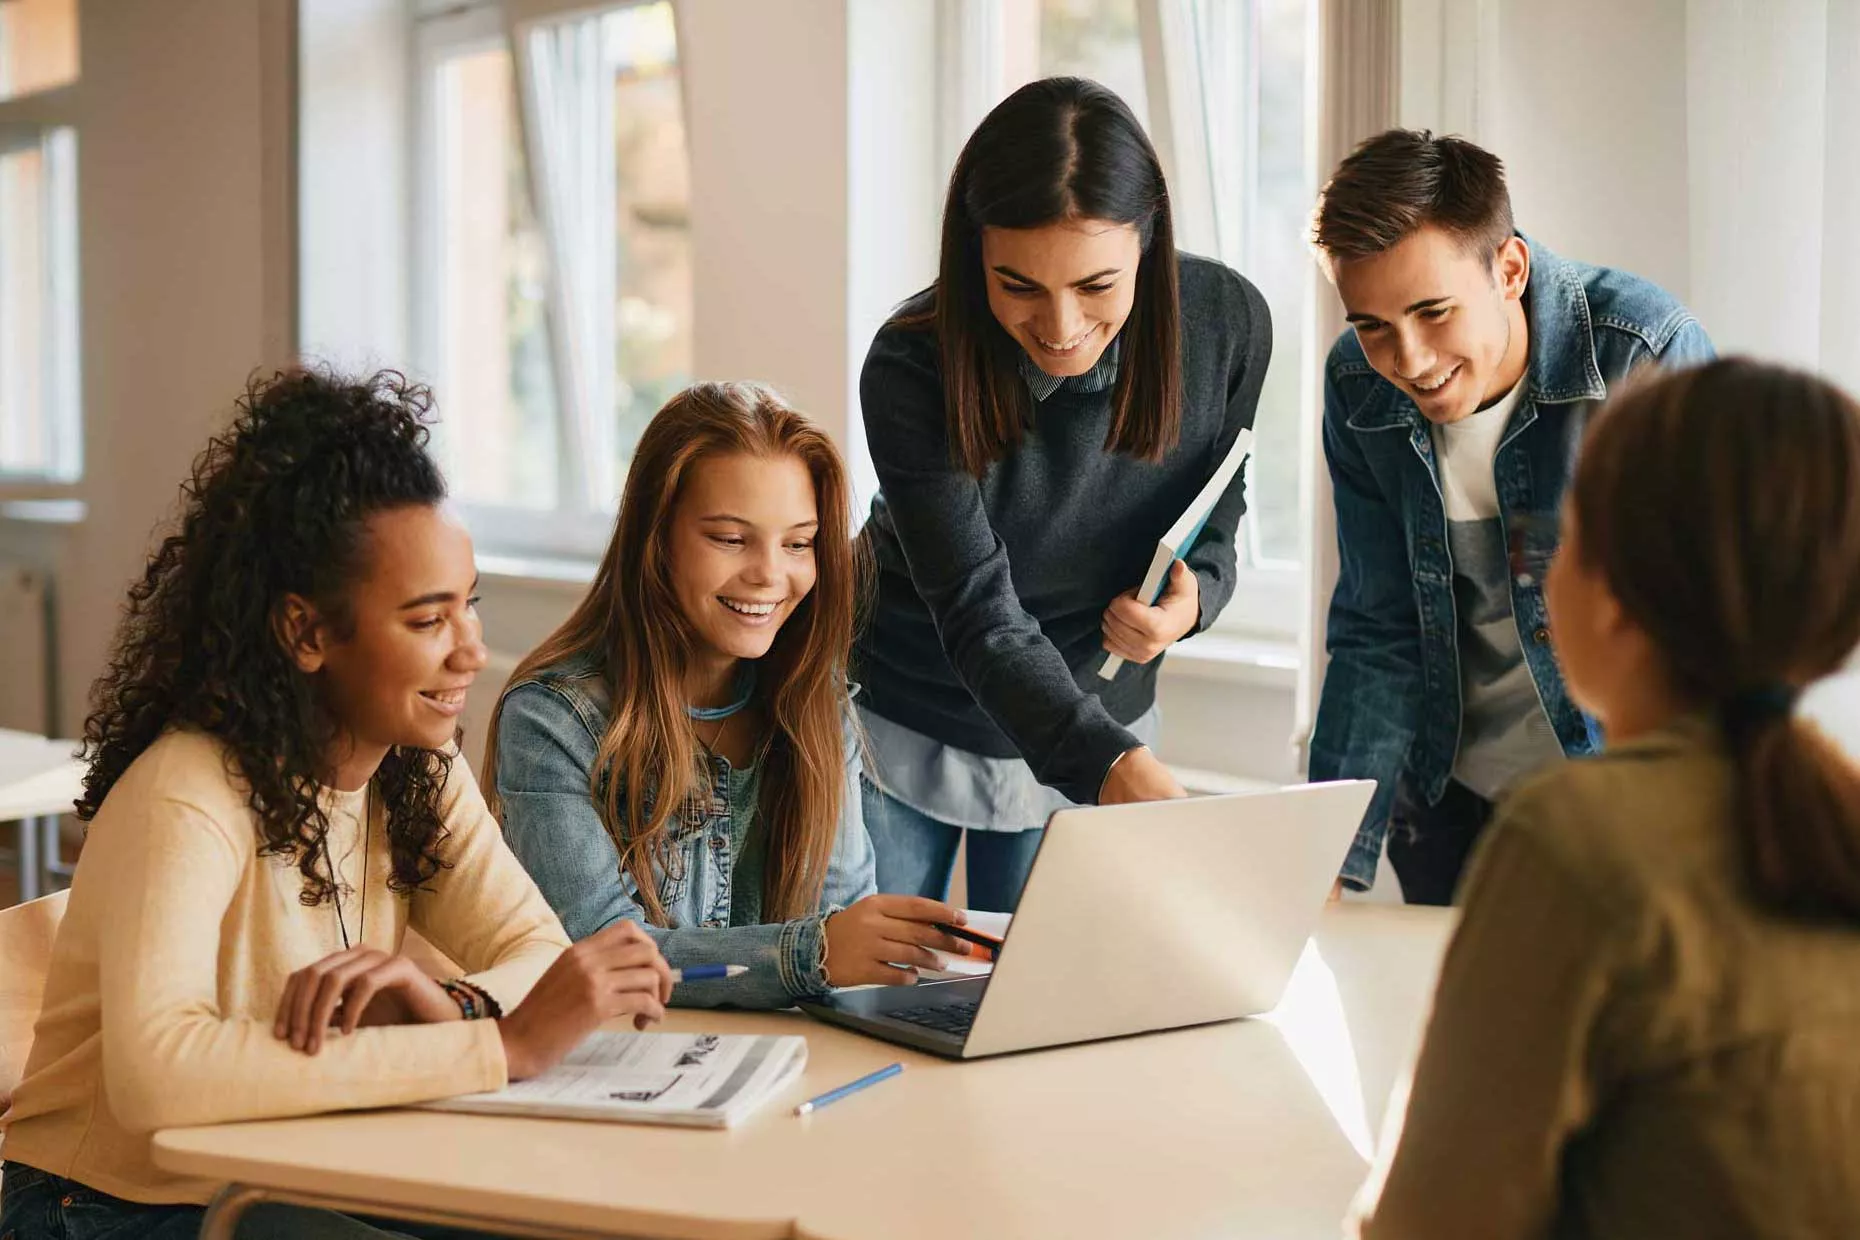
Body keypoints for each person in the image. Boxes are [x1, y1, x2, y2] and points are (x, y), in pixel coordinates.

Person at [0, 370, 671, 1240]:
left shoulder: (415, 770)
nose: (472, 650)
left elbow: (537, 956)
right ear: (307, 633)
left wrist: (450, 1007)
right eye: (429, 622)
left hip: (290, 1175)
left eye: (469, 606)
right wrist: (497, 1046)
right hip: (102, 1208)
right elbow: (155, 1077)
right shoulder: (186, 792)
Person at [1350, 359, 1860, 1238]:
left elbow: (1430, 1227)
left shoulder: (1574, 839)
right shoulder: (1829, 819)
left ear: (1617, 592)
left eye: (1569, 530)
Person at [855, 76, 1272, 911]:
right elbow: (977, 609)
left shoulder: (1228, 322)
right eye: (1019, 287)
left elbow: (1220, 507)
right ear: (973, 254)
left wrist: (1194, 603)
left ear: (1149, 246)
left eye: (1096, 287)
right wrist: (1109, 762)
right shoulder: (910, 365)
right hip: (912, 704)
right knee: (878, 993)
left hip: (1100, 713)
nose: (1059, 327)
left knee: (1050, 1004)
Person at [1307, 129, 1715, 902]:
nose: (1411, 360)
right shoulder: (1358, 385)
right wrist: (1326, 855)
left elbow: (1711, 630)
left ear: (1510, 269)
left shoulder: (1645, 358)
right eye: (1373, 325)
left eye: (1433, 312)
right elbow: (1378, 626)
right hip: (1450, 804)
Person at [485, 382, 973, 1008]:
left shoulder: (815, 702)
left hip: (790, 1066)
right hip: (636, 1069)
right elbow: (603, 951)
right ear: (655, 539)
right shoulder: (554, 718)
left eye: (798, 543)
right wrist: (812, 953)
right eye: (730, 539)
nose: (771, 574)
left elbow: (846, 919)